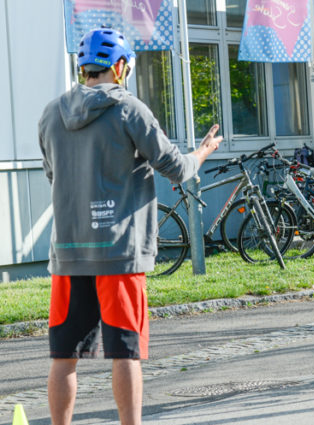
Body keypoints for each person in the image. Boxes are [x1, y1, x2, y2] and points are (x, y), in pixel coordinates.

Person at [38, 28, 223, 425]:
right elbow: (176, 167)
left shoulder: (51, 113)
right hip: (119, 252)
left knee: (63, 356)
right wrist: (204, 151)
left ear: (83, 67)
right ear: (120, 67)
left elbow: (53, 175)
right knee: (125, 351)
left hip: (68, 252)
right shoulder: (129, 110)